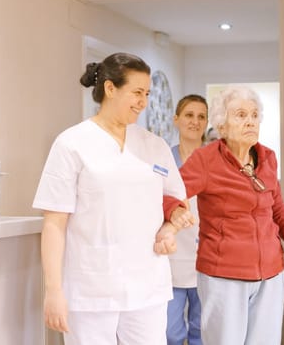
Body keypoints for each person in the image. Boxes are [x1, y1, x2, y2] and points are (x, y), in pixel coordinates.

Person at [32, 52, 195, 345]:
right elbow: (54, 223)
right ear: (110, 88)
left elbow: (175, 203)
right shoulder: (72, 143)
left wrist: (169, 230)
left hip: (148, 284)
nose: (143, 102)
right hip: (91, 286)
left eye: (146, 93)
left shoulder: (154, 146)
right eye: (136, 92)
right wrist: (53, 290)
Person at [164, 86, 284, 345]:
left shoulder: (267, 158)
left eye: (254, 115)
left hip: (270, 274)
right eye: (241, 115)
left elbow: (276, 204)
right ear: (222, 125)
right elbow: (170, 192)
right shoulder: (206, 160)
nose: (250, 121)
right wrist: (174, 210)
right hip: (224, 275)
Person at [166, 94, 208, 345]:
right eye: (189, 115)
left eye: (201, 116)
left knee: (201, 329)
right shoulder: (164, 159)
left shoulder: (215, 159)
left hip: (206, 254)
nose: (195, 121)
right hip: (171, 254)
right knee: (170, 331)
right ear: (176, 120)